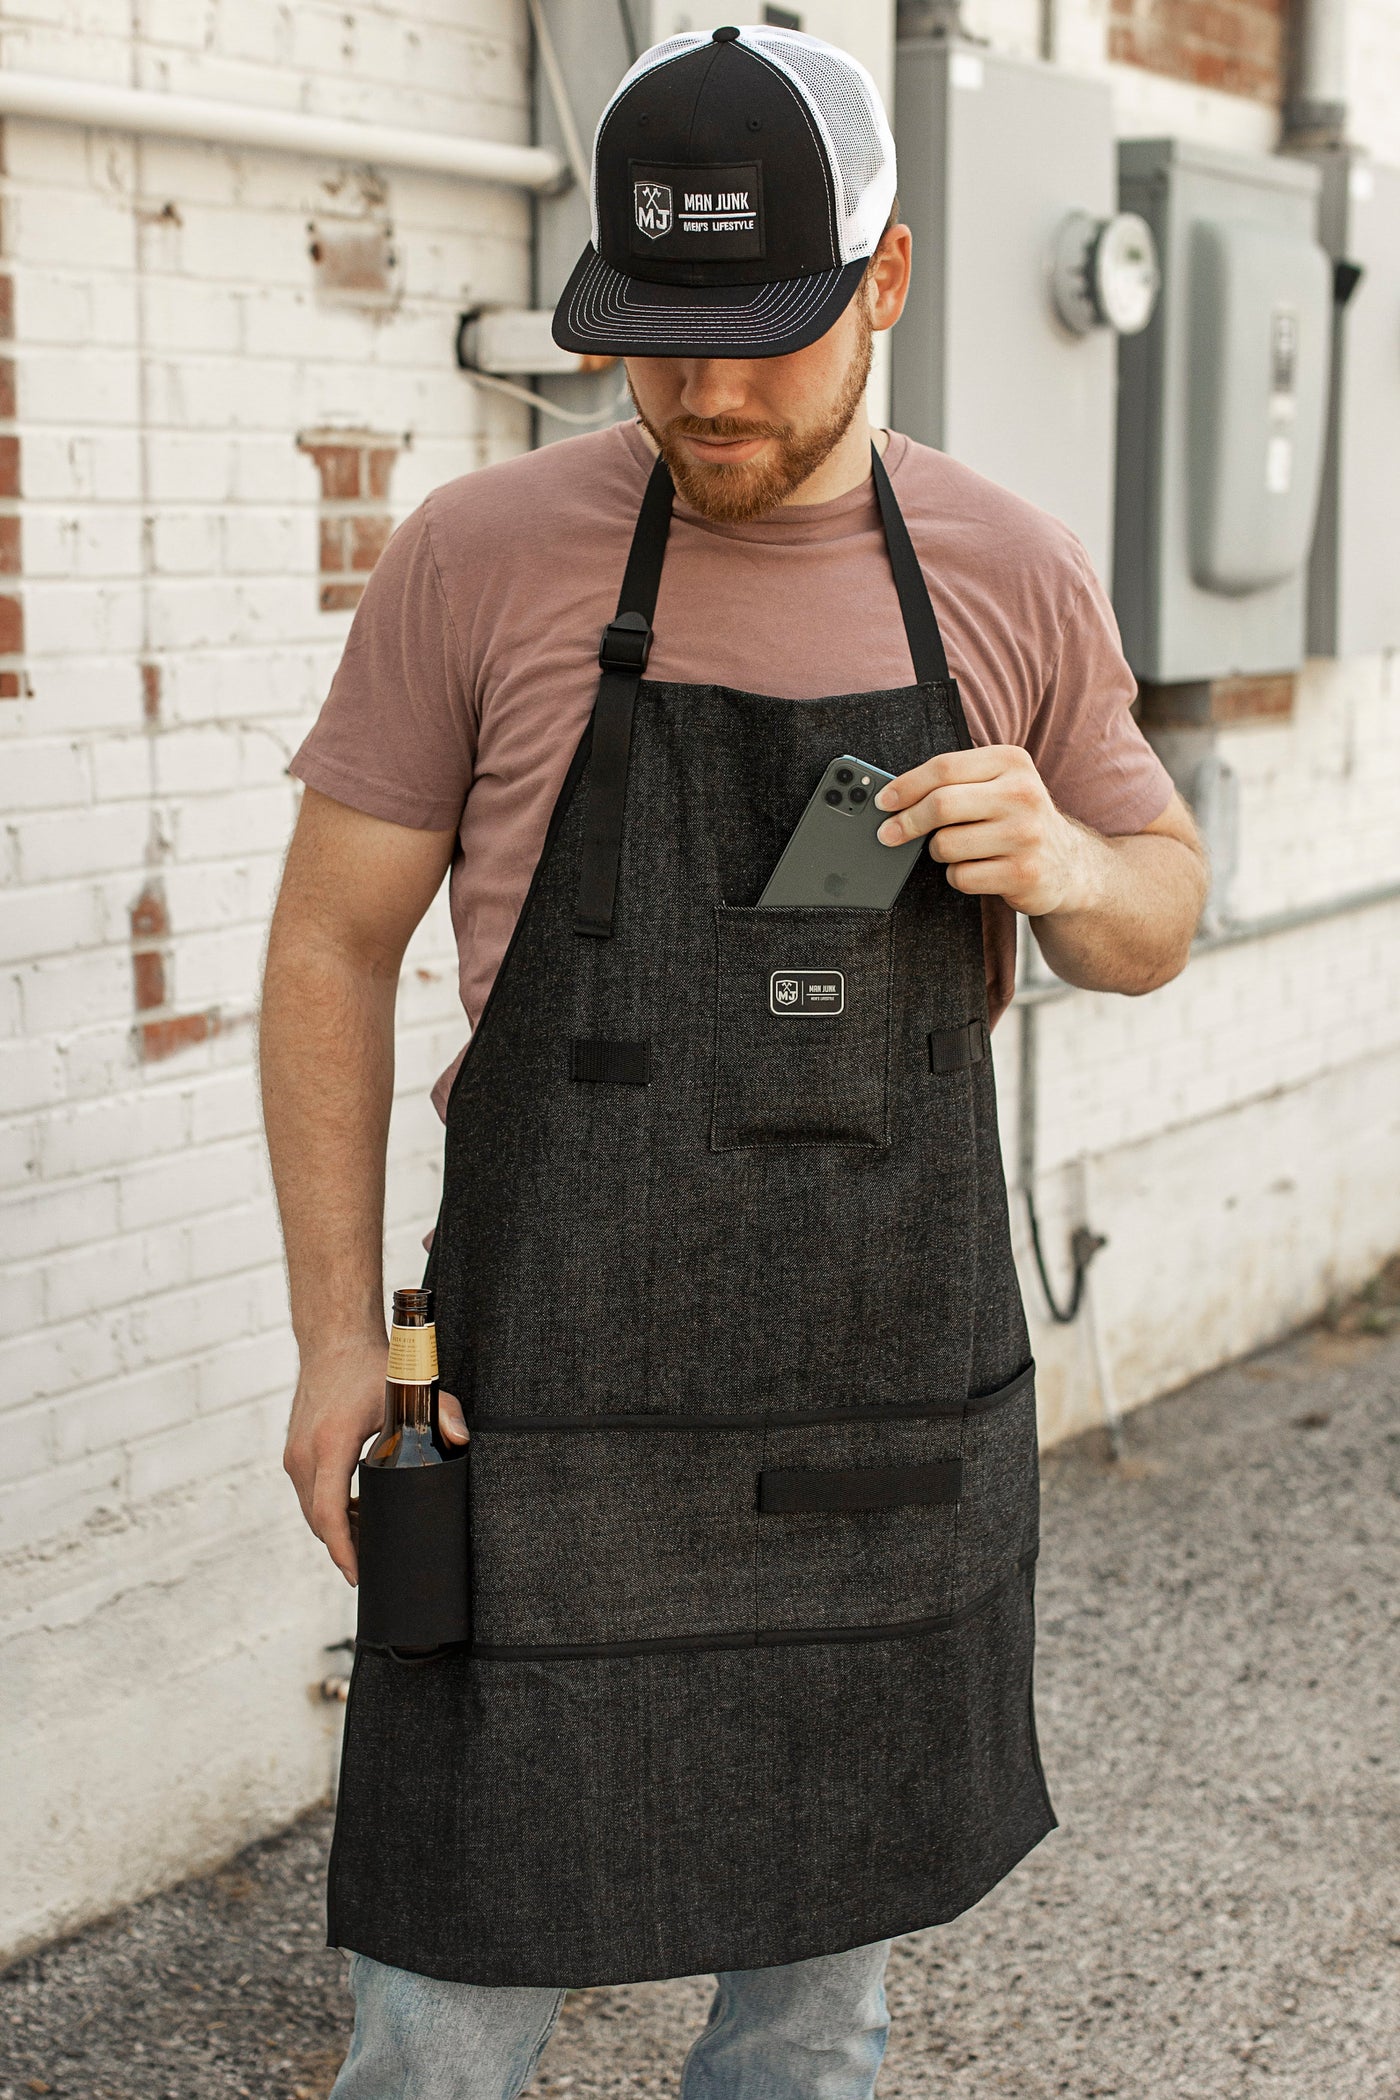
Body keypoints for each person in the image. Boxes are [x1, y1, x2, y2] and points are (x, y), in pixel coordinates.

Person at [260, 24, 1207, 2100]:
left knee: (808, 2028)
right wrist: (337, 1338)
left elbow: (1155, 912)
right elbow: (329, 953)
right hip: (546, 1422)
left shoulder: (1007, 569)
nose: (699, 396)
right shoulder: (481, 555)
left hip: (863, 1428)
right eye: (653, 340)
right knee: (438, 2010)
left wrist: (1059, 860)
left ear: (883, 279)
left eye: (760, 338)